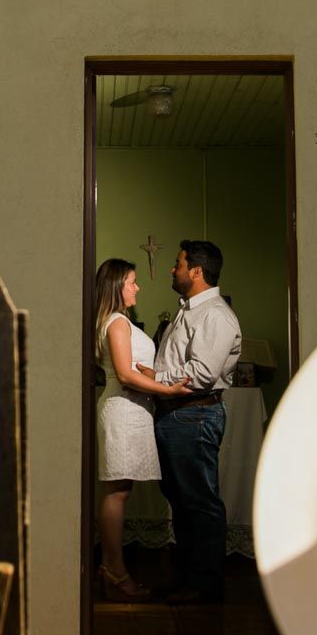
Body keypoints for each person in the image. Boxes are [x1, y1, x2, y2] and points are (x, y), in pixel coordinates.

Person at [150, 240, 243, 604]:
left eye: (178, 264)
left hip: (195, 414)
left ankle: (204, 585)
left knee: (200, 501)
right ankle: (187, 578)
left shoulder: (214, 315)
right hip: (179, 414)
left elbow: (202, 374)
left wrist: (153, 377)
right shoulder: (189, 310)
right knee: (182, 499)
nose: (173, 270)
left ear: (196, 271)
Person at [92, 257, 189, 601]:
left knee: (120, 491)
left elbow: (140, 369)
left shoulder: (120, 321)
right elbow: (124, 374)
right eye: (132, 281)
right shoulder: (117, 322)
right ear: (118, 286)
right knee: (116, 491)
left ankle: (109, 568)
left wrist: (163, 378)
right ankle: (115, 572)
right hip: (121, 410)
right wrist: (170, 390)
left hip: (132, 412)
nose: (138, 287)